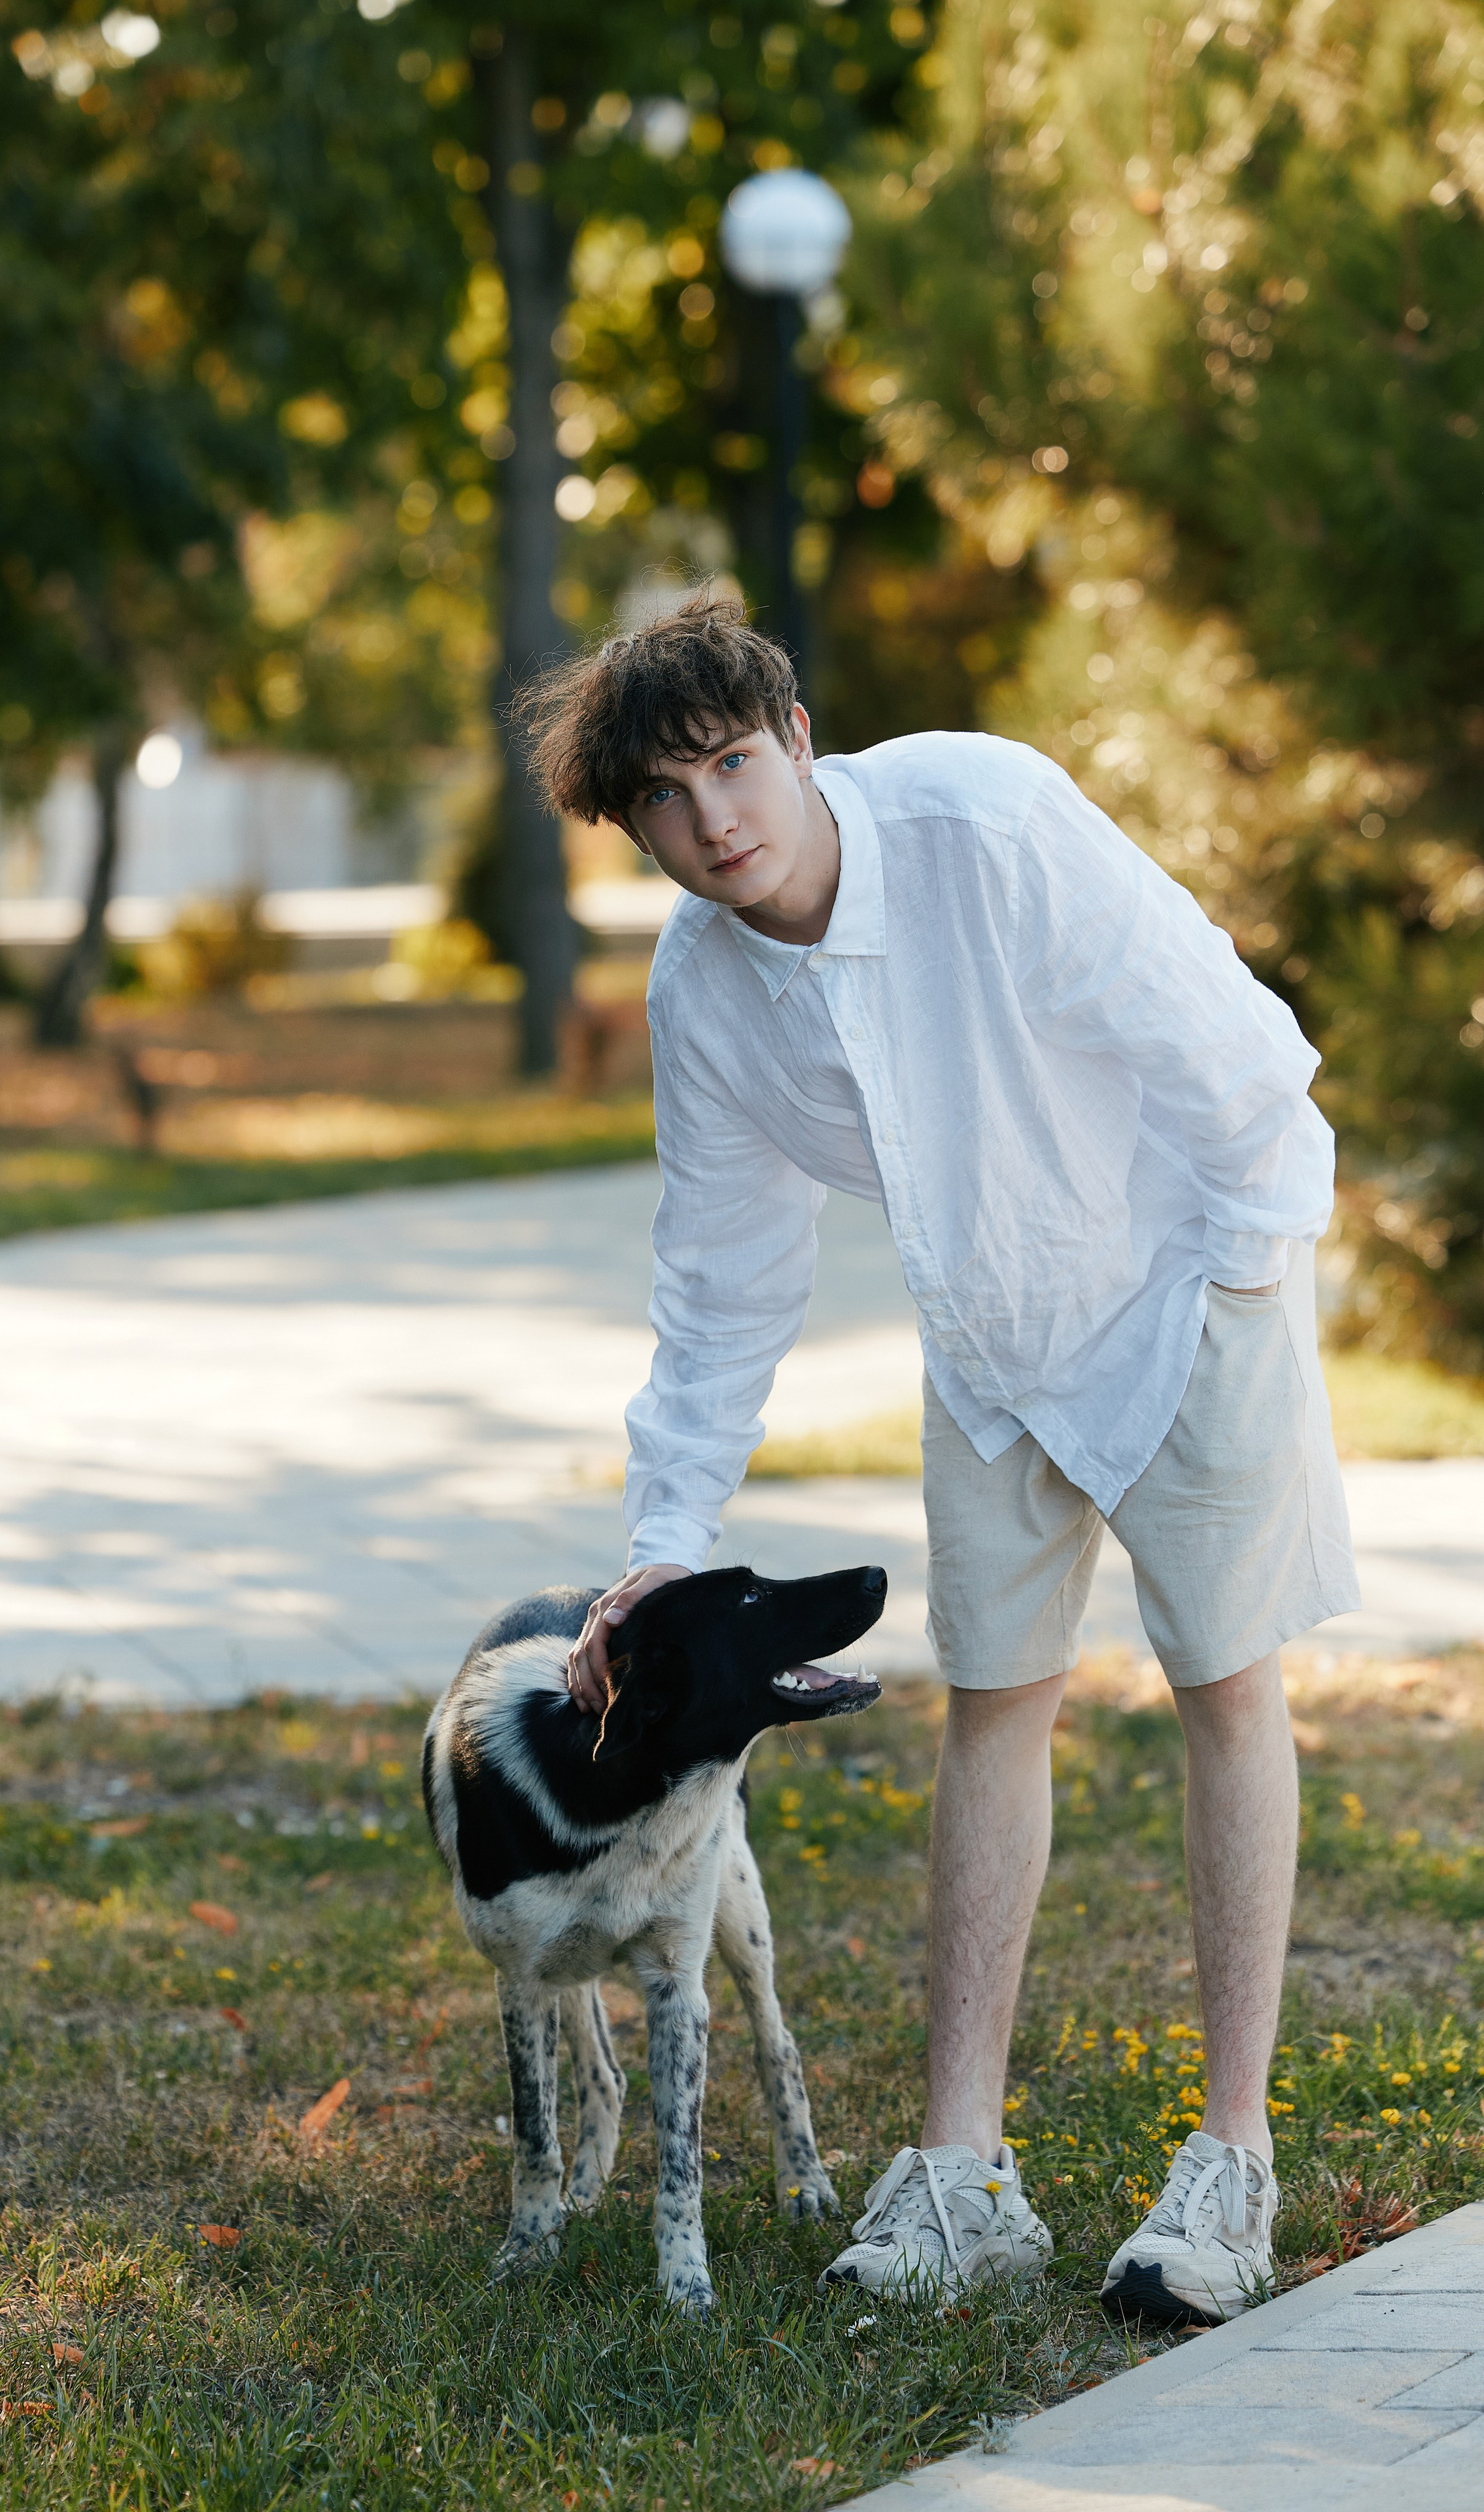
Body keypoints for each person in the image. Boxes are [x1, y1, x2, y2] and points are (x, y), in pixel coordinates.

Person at [534, 589, 1358, 2326]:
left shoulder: (988, 822)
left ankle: (1230, 2166)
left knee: (1223, 1682)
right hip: (993, 1338)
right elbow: (721, 1284)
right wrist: (666, 1537)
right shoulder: (710, 987)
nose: (716, 823)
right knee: (995, 1703)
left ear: (799, 737)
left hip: (1188, 1274)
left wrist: (1229, 1280)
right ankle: (963, 2177)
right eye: (667, 803)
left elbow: (1233, 1055)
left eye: (734, 765)